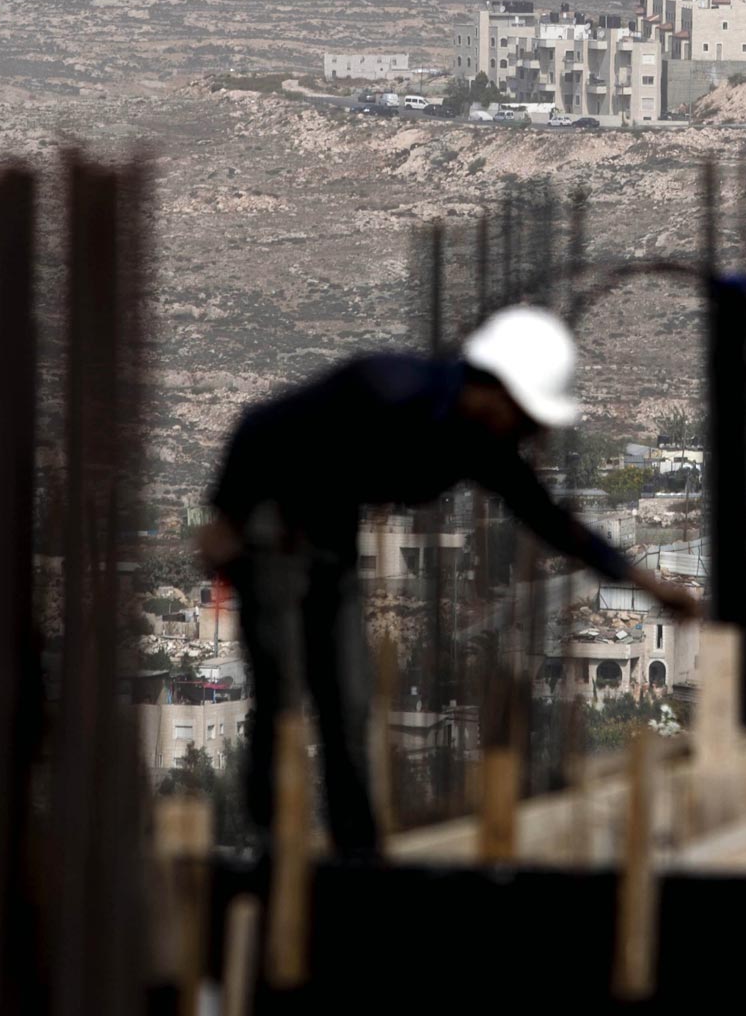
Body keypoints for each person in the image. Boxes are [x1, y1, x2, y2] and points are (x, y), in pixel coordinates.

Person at [197, 305, 697, 855]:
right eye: (525, 417)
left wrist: (644, 583)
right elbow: (259, 425)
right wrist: (228, 514)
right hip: (272, 526)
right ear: (496, 390)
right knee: (282, 691)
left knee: (348, 697)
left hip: (331, 539)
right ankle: (268, 846)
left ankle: (355, 855)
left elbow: (548, 518)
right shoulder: (389, 388)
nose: (528, 433)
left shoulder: (477, 441)